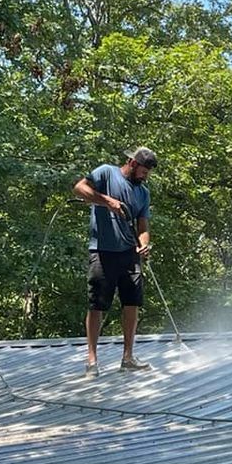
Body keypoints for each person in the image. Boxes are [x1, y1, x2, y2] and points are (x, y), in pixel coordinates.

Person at [73, 147, 157, 376]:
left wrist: (144, 243)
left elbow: (143, 225)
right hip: (102, 251)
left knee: (132, 302)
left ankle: (128, 357)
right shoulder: (107, 173)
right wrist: (107, 201)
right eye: (143, 170)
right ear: (131, 163)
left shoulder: (143, 192)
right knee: (97, 304)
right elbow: (79, 188)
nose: (145, 176)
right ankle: (92, 360)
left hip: (129, 254)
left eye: (148, 172)